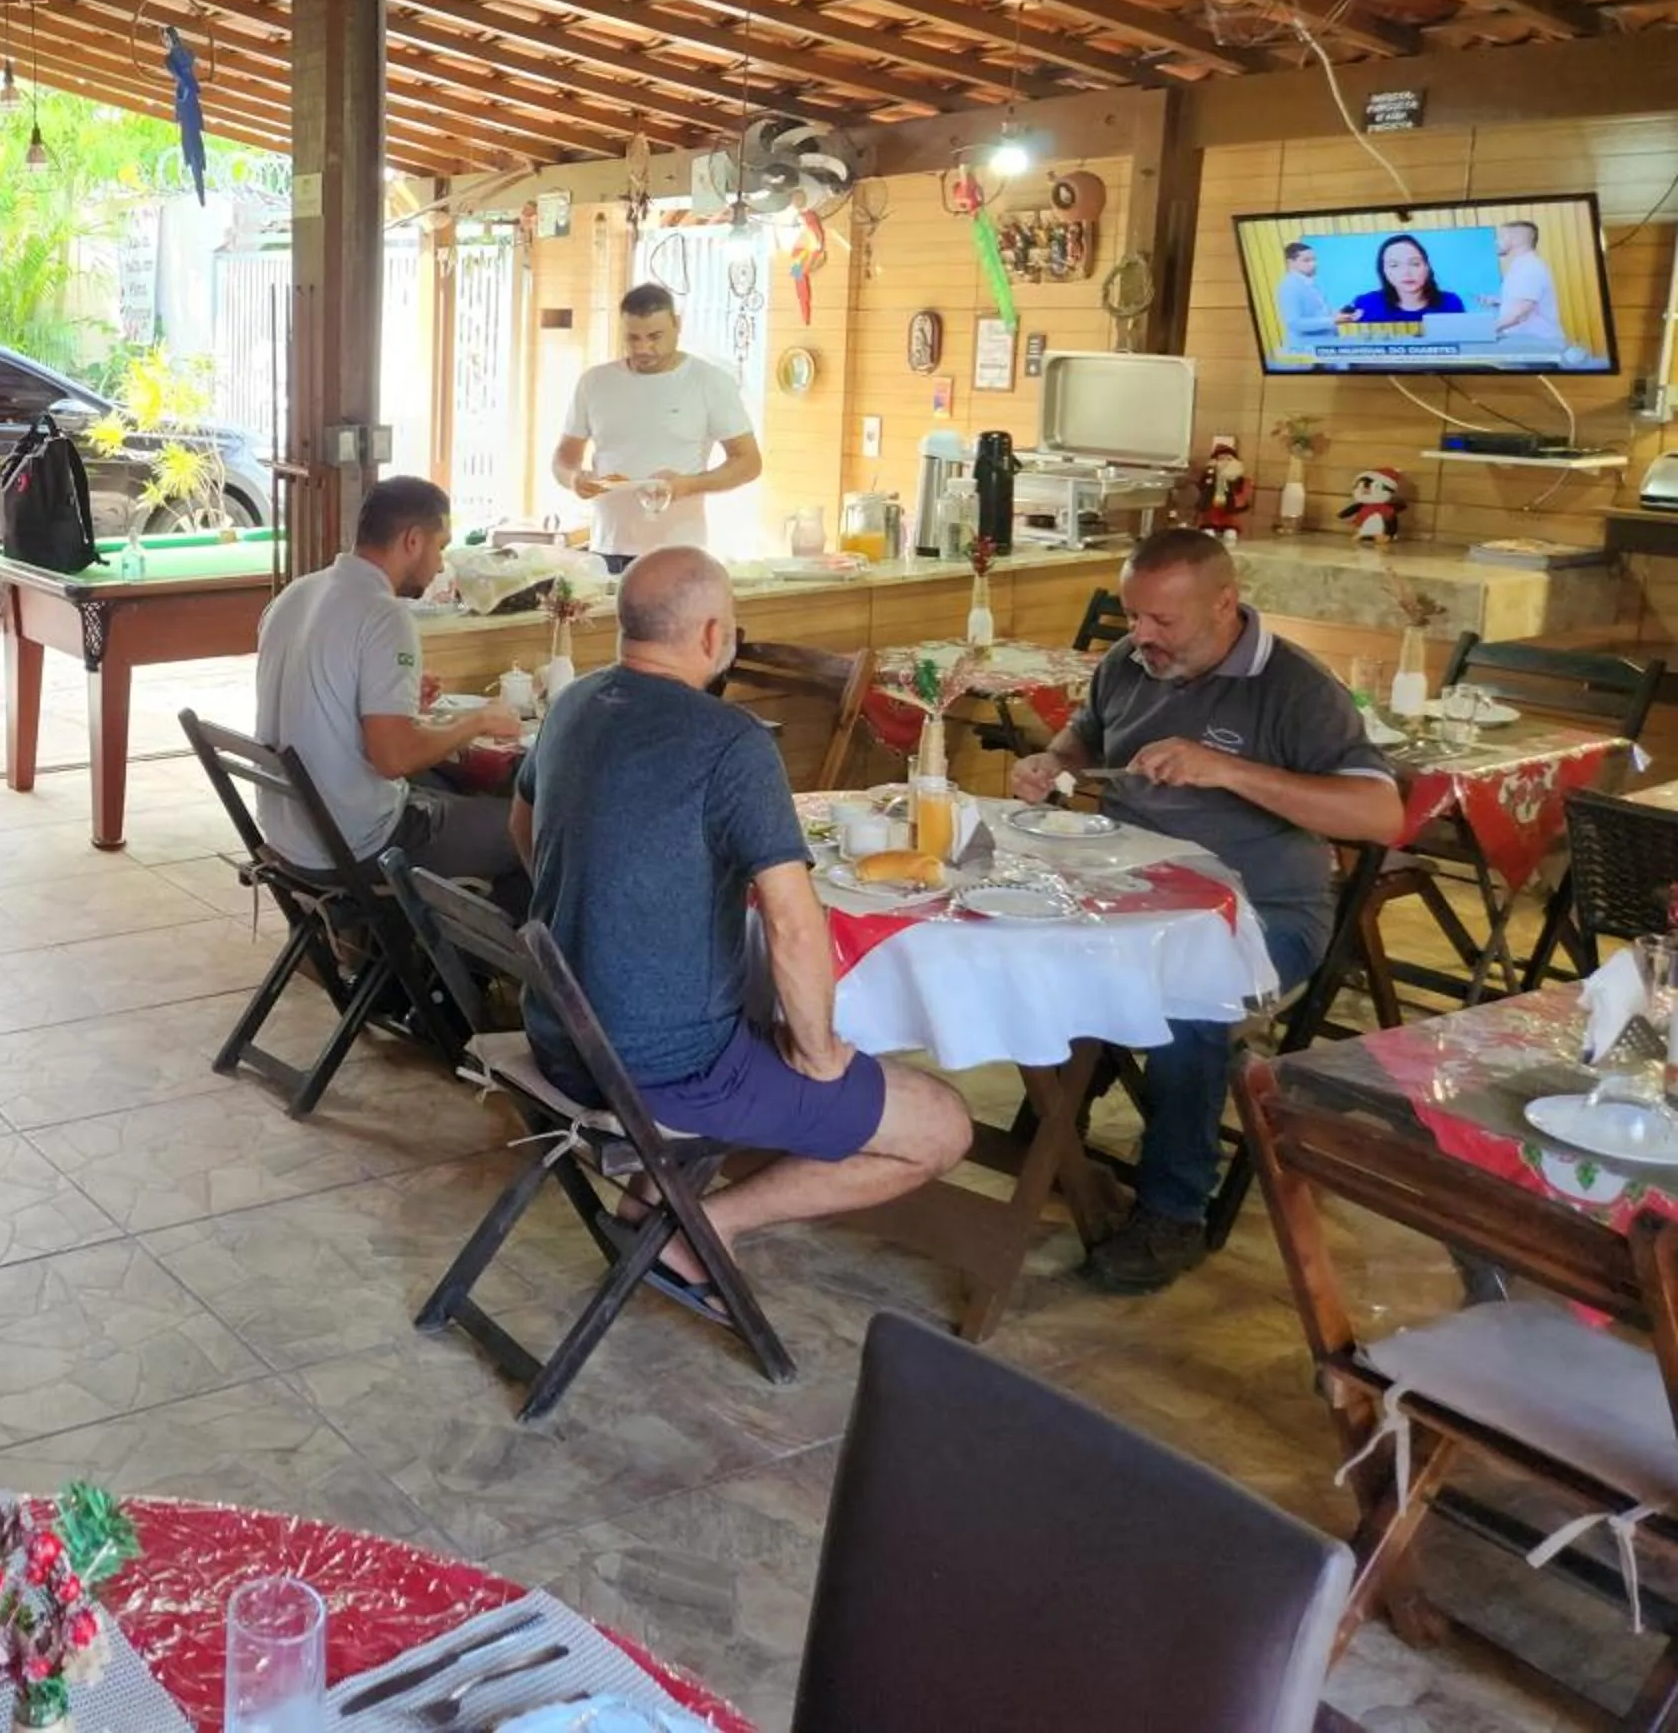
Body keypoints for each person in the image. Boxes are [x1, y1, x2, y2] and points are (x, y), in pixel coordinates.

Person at [512, 547, 969, 1293]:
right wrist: (820, 1055)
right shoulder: (730, 742)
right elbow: (792, 923)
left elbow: (522, 825)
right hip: (661, 1070)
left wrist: (598, 909)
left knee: (752, 1008)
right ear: (711, 632)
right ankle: (708, 1227)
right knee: (943, 1127)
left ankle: (660, 1200)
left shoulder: (573, 704)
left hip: (559, 1036)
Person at [1010, 527, 1403, 1292]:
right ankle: (1061, 1120)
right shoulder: (1130, 663)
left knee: (1193, 999)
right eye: (1133, 617)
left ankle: (1174, 1209)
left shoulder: (1294, 689)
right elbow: (1085, 738)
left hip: (1264, 910)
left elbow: (1381, 814)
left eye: (1163, 622)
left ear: (1225, 604)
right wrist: (1051, 764)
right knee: (1024, 933)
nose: (1141, 637)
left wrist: (1226, 769)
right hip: (1130, 891)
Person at [252, 475, 525, 889]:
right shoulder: (384, 614)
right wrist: (478, 721)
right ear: (413, 541)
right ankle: (474, 952)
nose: (439, 565)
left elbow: (319, 693)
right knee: (533, 826)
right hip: (356, 845)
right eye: (441, 546)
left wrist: (395, 695)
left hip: (290, 833)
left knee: (451, 792)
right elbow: (393, 759)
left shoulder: (297, 593)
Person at [551, 283, 761, 573]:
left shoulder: (709, 382)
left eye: (654, 337)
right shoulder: (595, 382)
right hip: (607, 549)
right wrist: (573, 479)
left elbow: (749, 462)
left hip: (679, 551)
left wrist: (689, 485)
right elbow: (564, 458)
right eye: (632, 338)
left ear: (677, 325)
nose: (643, 348)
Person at [1341, 233, 1465, 324]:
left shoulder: (1450, 303)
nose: (1406, 273)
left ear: (1427, 267)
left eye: (1414, 264)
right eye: (1394, 265)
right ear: (1383, 271)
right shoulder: (1366, 304)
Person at [1479, 218, 1563, 345]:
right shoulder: (1522, 266)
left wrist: (1485, 331)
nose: (1497, 242)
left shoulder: (1529, 267)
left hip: (1539, 346)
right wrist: (1498, 302)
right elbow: (1524, 302)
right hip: (1530, 344)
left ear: (1516, 239)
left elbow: (1520, 312)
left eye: (1502, 237)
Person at [1274, 241, 1337, 336]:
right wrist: (1332, 320)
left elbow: (1319, 313)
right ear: (1290, 262)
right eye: (1306, 260)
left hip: (1324, 345)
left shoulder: (1310, 283)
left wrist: (1339, 315)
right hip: (1307, 348)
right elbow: (1294, 323)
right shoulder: (1289, 286)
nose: (1314, 264)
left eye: (1314, 259)